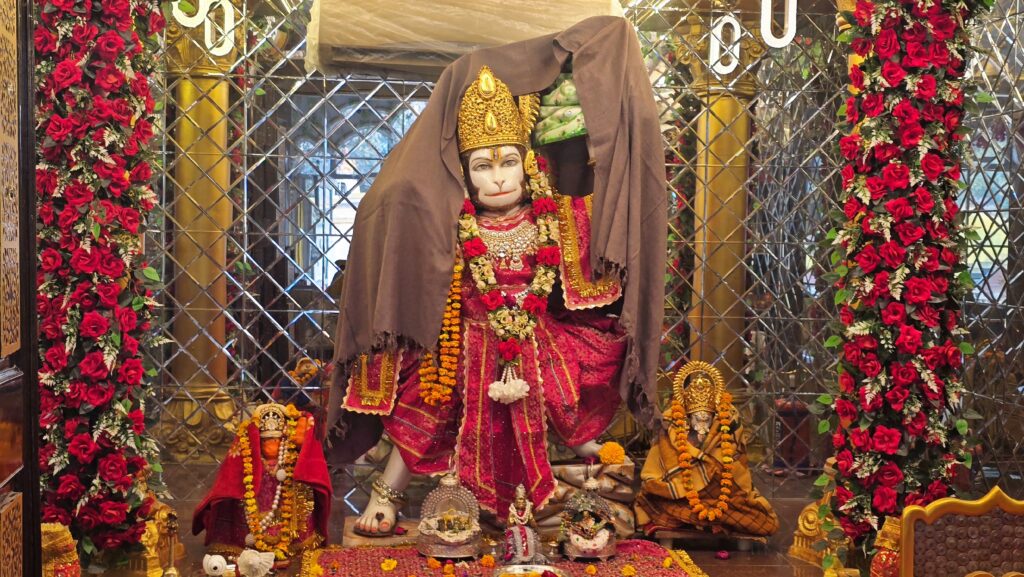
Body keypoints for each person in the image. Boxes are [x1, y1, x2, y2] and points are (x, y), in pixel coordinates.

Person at [326, 16, 667, 538]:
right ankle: (387, 493)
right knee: (429, 403)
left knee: (560, 388)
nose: (500, 177)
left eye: (508, 162)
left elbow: (611, 216)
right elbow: (397, 217)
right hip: (464, 341)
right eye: (483, 166)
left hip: (535, 336)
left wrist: (613, 131)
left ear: (527, 164)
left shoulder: (553, 217)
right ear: (464, 173)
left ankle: (595, 468)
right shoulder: (449, 222)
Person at [636, 363, 779, 537]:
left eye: (706, 420)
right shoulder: (671, 427)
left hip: (724, 500)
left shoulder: (728, 426)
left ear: (714, 417)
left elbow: (738, 475)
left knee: (762, 520)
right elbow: (653, 476)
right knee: (652, 501)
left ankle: (707, 520)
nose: (702, 425)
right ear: (688, 419)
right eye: (697, 419)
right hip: (679, 498)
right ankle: (701, 521)